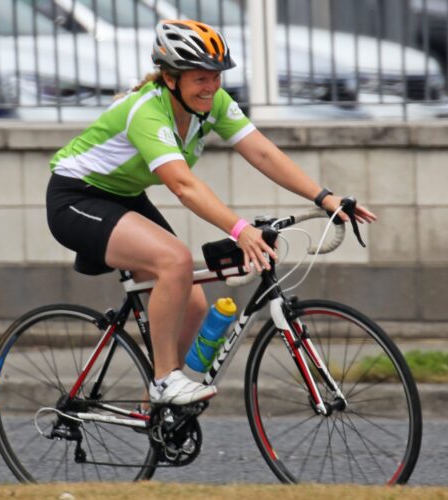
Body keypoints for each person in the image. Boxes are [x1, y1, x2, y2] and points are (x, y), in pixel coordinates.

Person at [46, 19, 377, 406]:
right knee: (174, 261)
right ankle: (165, 380)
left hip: (123, 196)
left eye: (216, 77)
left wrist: (324, 197)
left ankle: (152, 411)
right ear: (171, 79)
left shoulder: (212, 103)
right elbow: (183, 185)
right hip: (76, 198)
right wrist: (239, 229)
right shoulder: (147, 111)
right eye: (200, 78)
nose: (211, 87)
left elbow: (262, 151)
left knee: (194, 301)